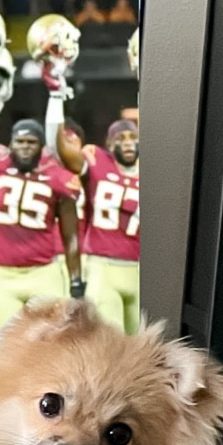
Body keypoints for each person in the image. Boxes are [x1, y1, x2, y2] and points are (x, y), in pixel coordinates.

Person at [0, 95, 83, 338]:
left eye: (31, 142)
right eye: (19, 141)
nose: (24, 147)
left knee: (51, 346)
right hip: (5, 274)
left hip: (44, 272)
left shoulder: (56, 176)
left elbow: (70, 233)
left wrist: (76, 279)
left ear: (42, 147)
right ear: (9, 144)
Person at [55, 116, 140, 332]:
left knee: (144, 348)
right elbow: (63, 151)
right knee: (110, 345)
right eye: (120, 138)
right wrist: (55, 102)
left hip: (140, 269)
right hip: (104, 268)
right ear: (109, 145)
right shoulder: (96, 161)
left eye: (133, 137)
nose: (128, 142)